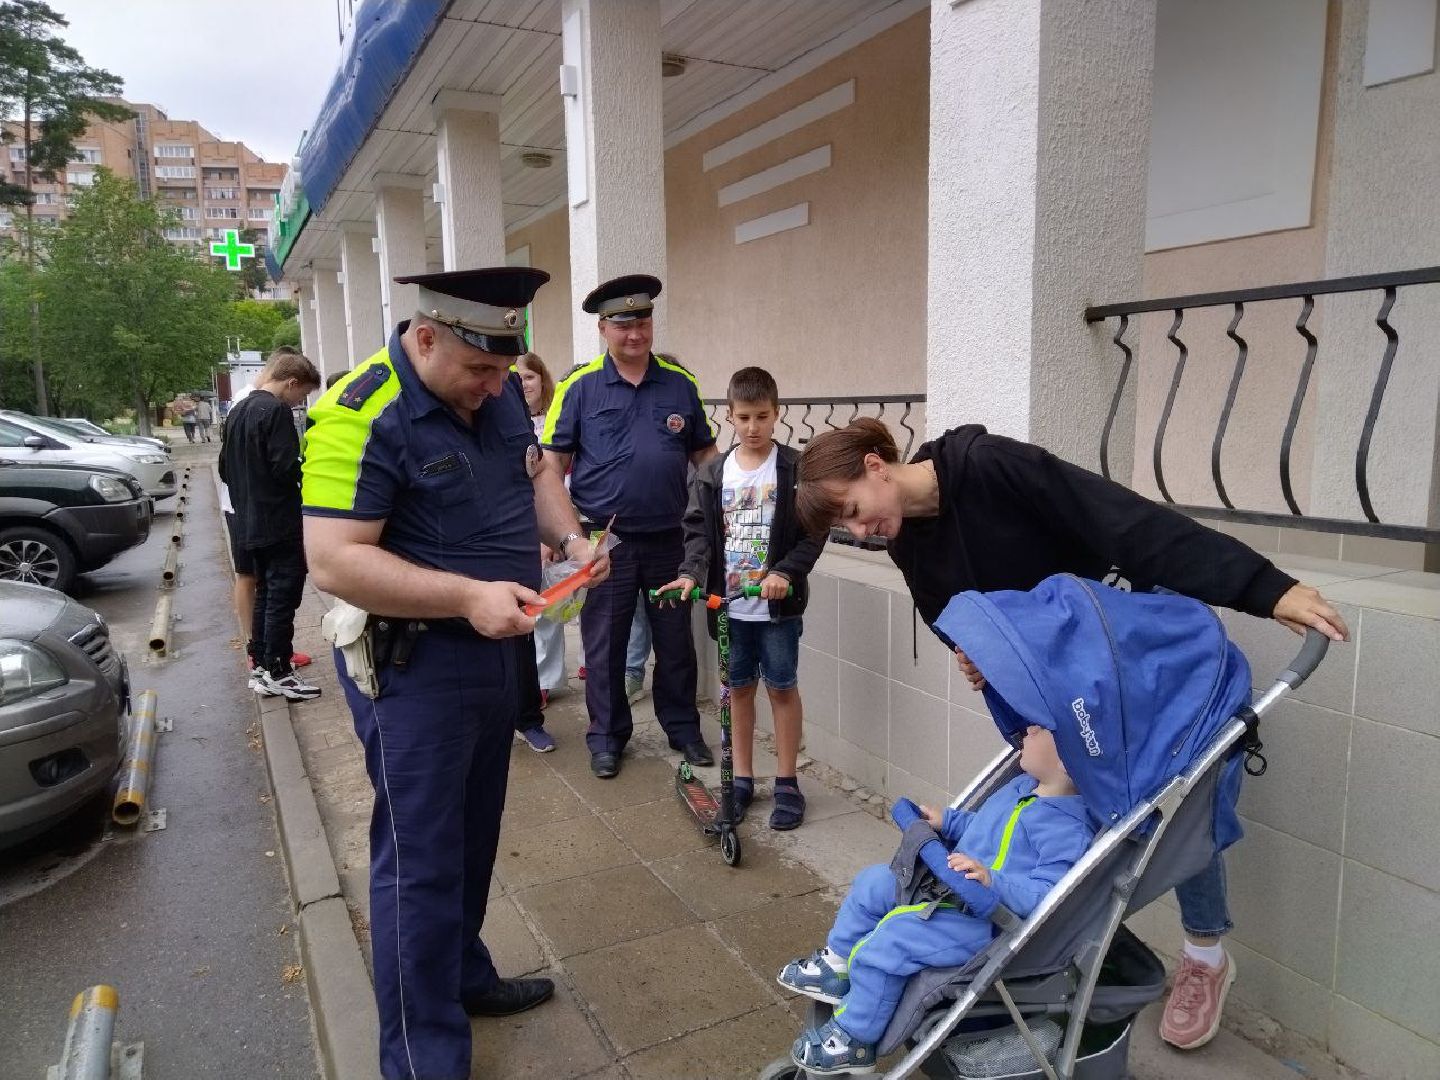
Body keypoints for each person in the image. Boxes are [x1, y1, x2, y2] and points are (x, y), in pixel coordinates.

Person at [794, 417, 1350, 1052]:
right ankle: (1063, 921)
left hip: (1130, 650)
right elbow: (954, 613)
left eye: (858, 513)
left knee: (1172, 793)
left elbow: (1124, 522)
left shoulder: (990, 468)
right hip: (1061, 686)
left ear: (875, 466)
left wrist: (1265, 588)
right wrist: (969, 653)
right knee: (1069, 805)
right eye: (850, 529)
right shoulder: (905, 537)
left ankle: (1205, 954)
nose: (863, 533)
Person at [300, 266, 608, 1080]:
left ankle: (464, 977)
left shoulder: (496, 385)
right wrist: (469, 596)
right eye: (479, 370)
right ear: (425, 336)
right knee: (419, 863)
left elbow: (538, 472)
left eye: (505, 369)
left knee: (473, 841)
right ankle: (422, 1058)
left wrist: (572, 543)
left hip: (498, 651)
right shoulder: (358, 411)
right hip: (415, 670)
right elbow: (333, 560)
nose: (496, 387)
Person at [780, 721, 1093, 1073]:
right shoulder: (1020, 786)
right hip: (948, 886)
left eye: (1040, 730)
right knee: (875, 883)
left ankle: (855, 1037)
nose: (1028, 729)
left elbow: (1048, 892)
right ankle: (837, 963)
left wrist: (993, 881)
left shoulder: (1067, 827)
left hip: (984, 920)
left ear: (1068, 760)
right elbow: (980, 826)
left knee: (894, 938)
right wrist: (949, 822)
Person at [540, 275, 718, 779]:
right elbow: (551, 467)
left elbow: (705, 453)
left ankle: (683, 730)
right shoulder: (579, 387)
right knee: (605, 646)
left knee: (676, 643)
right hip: (605, 543)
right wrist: (564, 537)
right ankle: (606, 738)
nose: (634, 333)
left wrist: (714, 512)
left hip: (670, 539)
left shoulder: (680, 384)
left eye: (641, 322)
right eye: (622, 325)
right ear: (603, 329)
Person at [659, 366, 824, 830]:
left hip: (777, 610)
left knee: (782, 688)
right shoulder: (713, 473)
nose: (754, 427)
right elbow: (698, 536)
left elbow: (813, 533)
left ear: (777, 414)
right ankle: (744, 778)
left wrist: (784, 572)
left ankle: (788, 781)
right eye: (744, 417)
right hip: (729, 608)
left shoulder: (795, 468)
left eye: (763, 416)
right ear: (729, 417)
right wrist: (691, 576)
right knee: (740, 692)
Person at [218, 350, 323, 701]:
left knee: (265, 592)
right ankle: (280, 670)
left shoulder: (238, 411)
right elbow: (286, 466)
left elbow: (223, 467)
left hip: (247, 518)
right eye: (302, 395)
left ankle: (262, 666)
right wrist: (309, 471)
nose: (299, 402)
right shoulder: (274, 410)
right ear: (292, 383)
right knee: (283, 595)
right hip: (278, 520)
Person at [218, 476, 312, 671]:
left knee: (262, 579)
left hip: (246, 502)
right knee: (250, 575)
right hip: (244, 503)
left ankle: (269, 648)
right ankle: (259, 650)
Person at [514, 351, 560, 753]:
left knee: (535, 621)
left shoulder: (540, 426)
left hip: (531, 536)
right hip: (492, 541)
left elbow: (549, 480)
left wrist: (561, 538)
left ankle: (533, 708)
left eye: (528, 376)